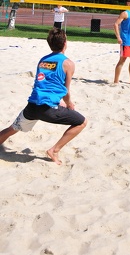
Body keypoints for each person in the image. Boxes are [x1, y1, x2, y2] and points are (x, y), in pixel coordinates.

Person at [0, 28, 87, 165]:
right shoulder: (68, 63)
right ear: (65, 43)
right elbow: (66, 91)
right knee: (82, 122)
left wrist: (59, 103)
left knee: (13, 128)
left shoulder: (43, 60)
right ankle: (54, 150)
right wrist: (70, 104)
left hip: (33, 106)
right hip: (48, 109)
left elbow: (46, 84)